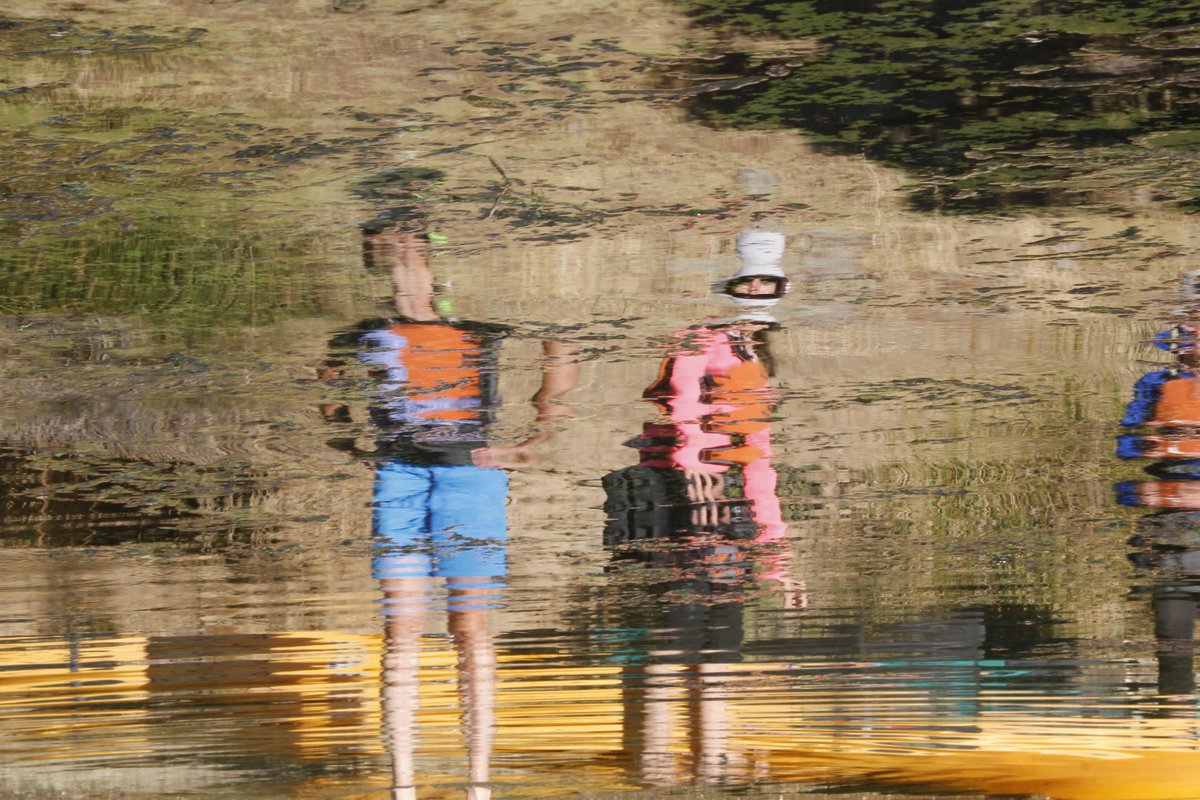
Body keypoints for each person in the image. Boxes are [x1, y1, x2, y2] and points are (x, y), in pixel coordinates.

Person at [320, 217, 577, 800]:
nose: (404, 260)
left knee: (470, 627)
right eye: (391, 248)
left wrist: (540, 430)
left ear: (434, 263)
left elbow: (561, 342)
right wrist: (347, 443)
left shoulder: (476, 326)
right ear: (377, 262)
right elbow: (327, 384)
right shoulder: (361, 331)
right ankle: (403, 784)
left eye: (413, 247)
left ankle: (477, 782)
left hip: (471, 475)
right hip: (398, 474)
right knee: (401, 627)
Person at [602, 230, 801, 786]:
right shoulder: (696, 340)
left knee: (722, 634)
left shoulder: (757, 357)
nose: (757, 290)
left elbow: (759, 456)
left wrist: (776, 554)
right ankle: (652, 761)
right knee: (675, 626)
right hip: (672, 496)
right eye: (749, 281)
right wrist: (698, 472)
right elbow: (682, 405)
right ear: (730, 286)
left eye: (768, 283)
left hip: (729, 500)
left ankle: (712, 759)